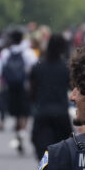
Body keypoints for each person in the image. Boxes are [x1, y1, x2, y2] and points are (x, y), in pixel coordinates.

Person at [29, 34, 73, 162]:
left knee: (41, 148)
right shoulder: (66, 67)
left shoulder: (38, 66)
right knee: (63, 150)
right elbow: (72, 87)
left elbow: (32, 90)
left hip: (42, 111)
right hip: (61, 112)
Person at [1, 29, 37, 155]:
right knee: (25, 112)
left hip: (11, 87)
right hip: (24, 86)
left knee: (16, 113)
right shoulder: (28, 52)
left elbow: (3, 69)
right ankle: (22, 131)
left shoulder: (6, 52)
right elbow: (33, 69)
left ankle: (18, 132)